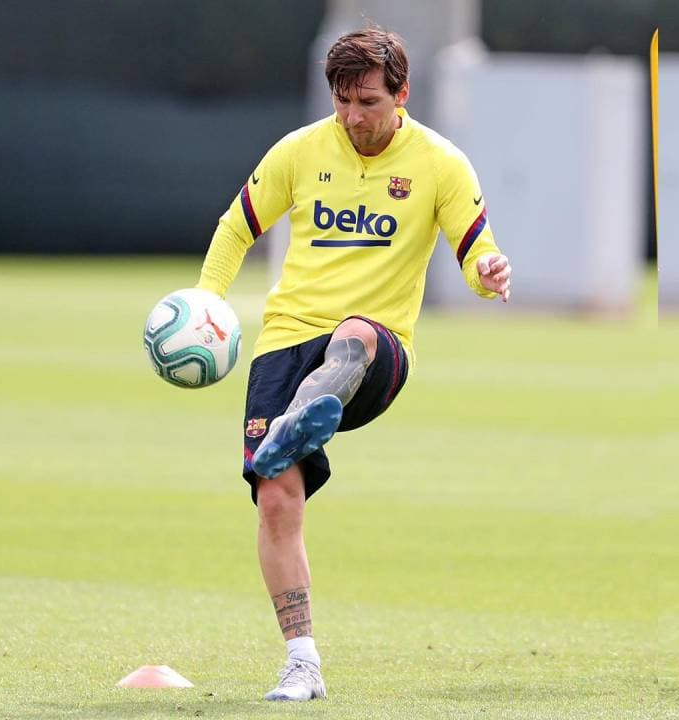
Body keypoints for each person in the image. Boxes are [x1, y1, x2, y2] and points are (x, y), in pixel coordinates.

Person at [195, 27, 510, 702]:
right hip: (287, 339)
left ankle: (306, 414)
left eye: (368, 102)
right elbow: (237, 225)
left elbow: (475, 251)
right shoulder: (300, 150)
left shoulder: (440, 163)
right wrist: (207, 300)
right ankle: (302, 663)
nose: (353, 117)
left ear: (402, 94)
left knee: (357, 332)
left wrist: (488, 273)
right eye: (343, 102)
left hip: (377, 352)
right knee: (276, 497)